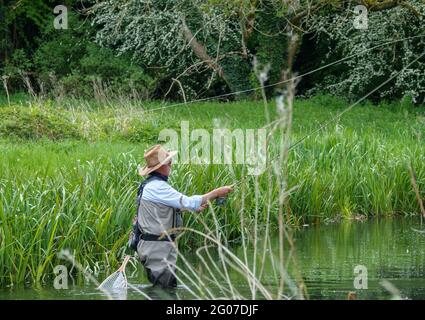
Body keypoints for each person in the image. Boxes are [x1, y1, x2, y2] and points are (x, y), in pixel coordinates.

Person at [135, 144, 233, 288]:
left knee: (164, 290)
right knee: (165, 292)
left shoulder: (151, 185)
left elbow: (160, 211)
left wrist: (188, 209)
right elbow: (188, 202)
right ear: (160, 167)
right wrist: (216, 193)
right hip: (157, 248)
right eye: (168, 161)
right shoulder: (158, 187)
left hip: (156, 247)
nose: (171, 163)